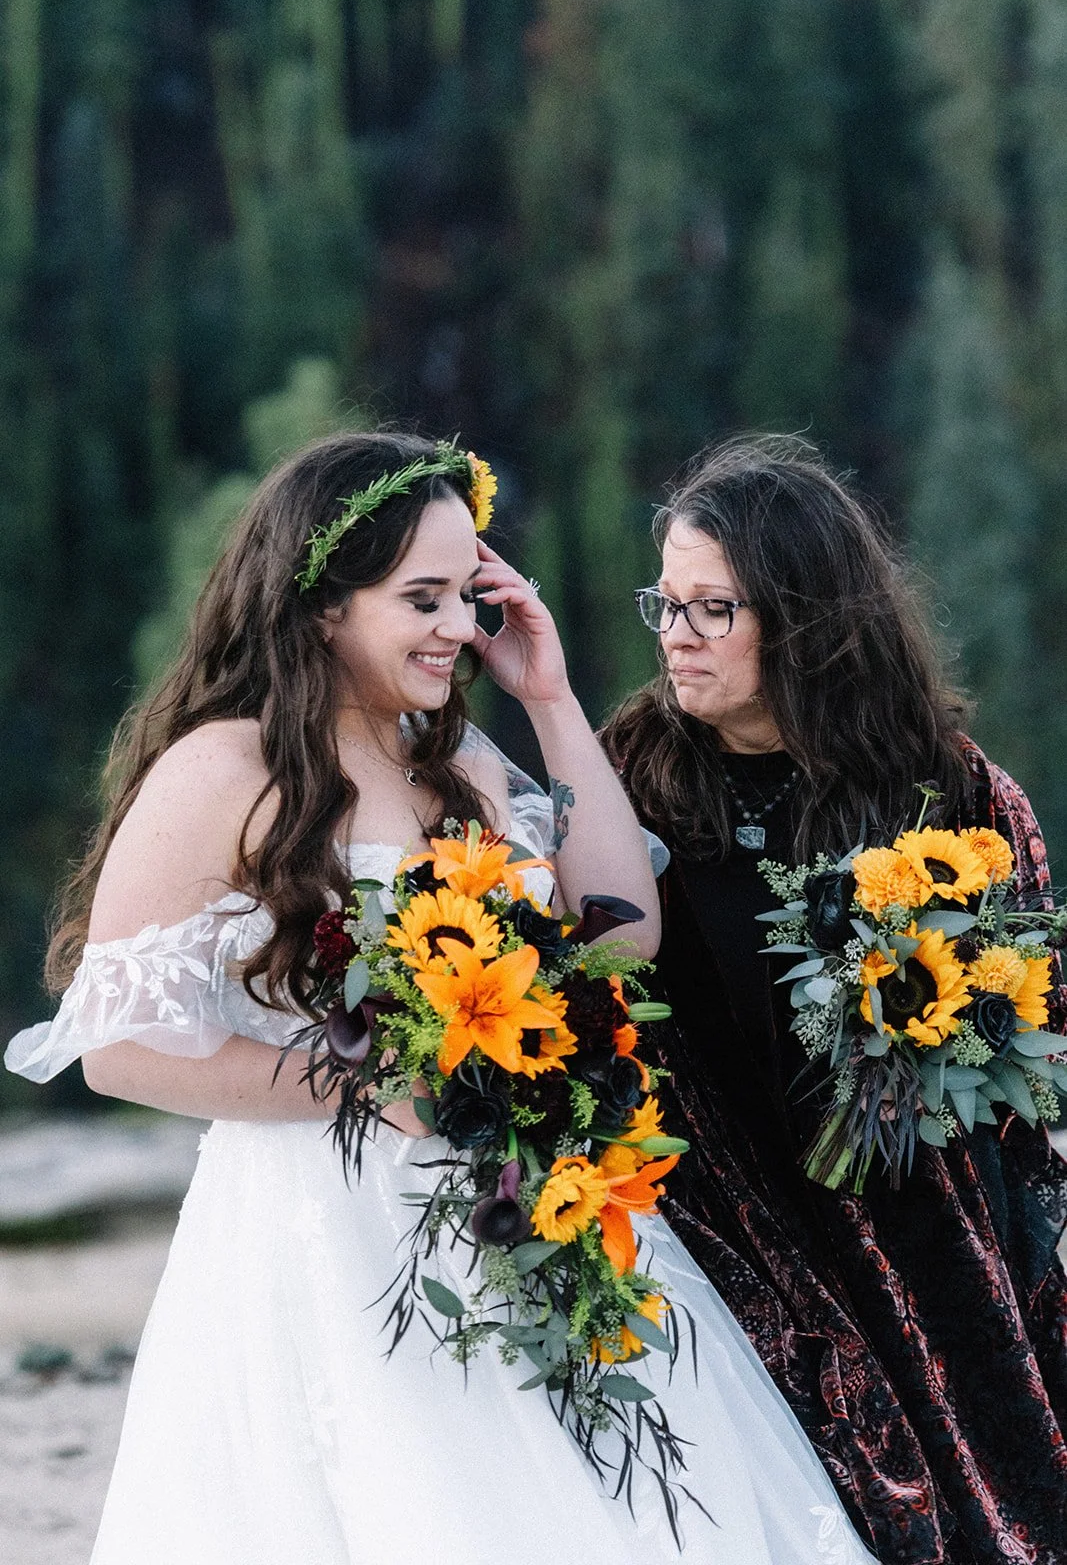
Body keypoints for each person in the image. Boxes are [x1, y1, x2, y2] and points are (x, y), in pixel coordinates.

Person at [4, 431, 879, 1565]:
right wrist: (371, 1083)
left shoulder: (452, 759)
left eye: (467, 595)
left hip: (533, 1209)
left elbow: (620, 934)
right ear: (321, 604)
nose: (459, 629)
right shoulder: (220, 769)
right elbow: (116, 1051)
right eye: (421, 598)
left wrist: (551, 698)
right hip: (329, 1235)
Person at [603, 434, 1067, 1565]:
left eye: (712, 608)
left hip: (928, 1243)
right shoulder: (635, 772)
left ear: (802, 615)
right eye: (663, 602)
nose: (674, 633)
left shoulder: (947, 788)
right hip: (726, 1241)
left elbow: (1029, 1025)